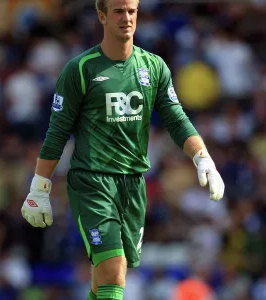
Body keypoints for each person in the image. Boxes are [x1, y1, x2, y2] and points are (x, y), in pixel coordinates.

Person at [21, 0, 225, 299]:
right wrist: (39, 187)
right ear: (102, 16)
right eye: (118, 11)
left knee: (106, 278)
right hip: (92, 181)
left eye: (131, 10)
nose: (126, 17)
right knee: (114, 269)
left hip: (133, 184)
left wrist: (203, 158)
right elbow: (57, 132)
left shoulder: (153, 66)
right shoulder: (80, 69)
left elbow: (176, 118)